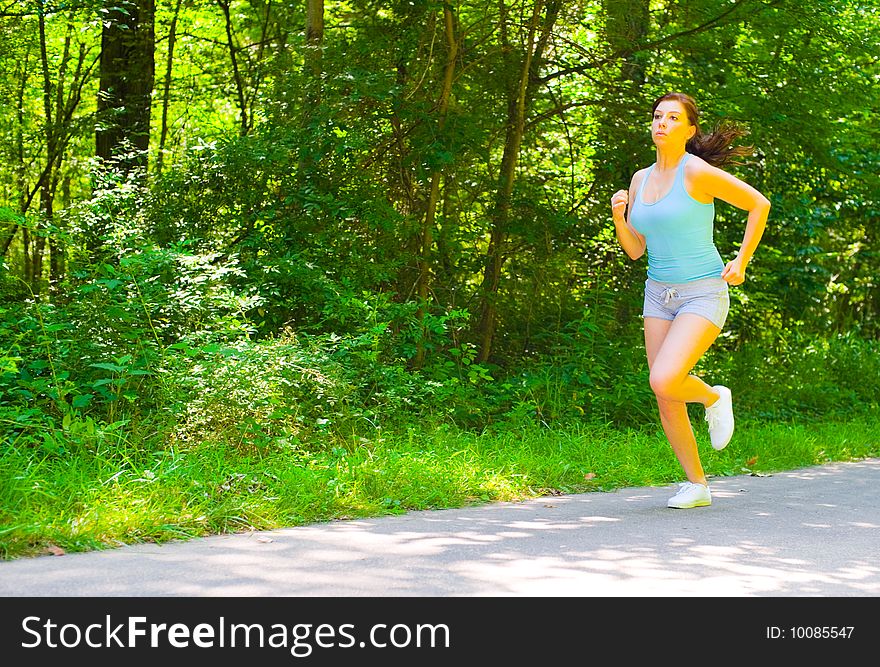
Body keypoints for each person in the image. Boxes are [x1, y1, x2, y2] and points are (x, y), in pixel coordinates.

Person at [610, 92, 770, 509]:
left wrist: (742, 259)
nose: (661, 122)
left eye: (672, 117)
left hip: (702, 291)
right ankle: (697, 484)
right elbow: (635, 249)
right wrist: (618, 218)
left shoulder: (696, 171)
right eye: (657, 115)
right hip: (657, 294)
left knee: (664, 379)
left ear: (689, 130)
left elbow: (759, 204)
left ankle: (715, 398)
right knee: (665, 394)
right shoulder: (640, 180)